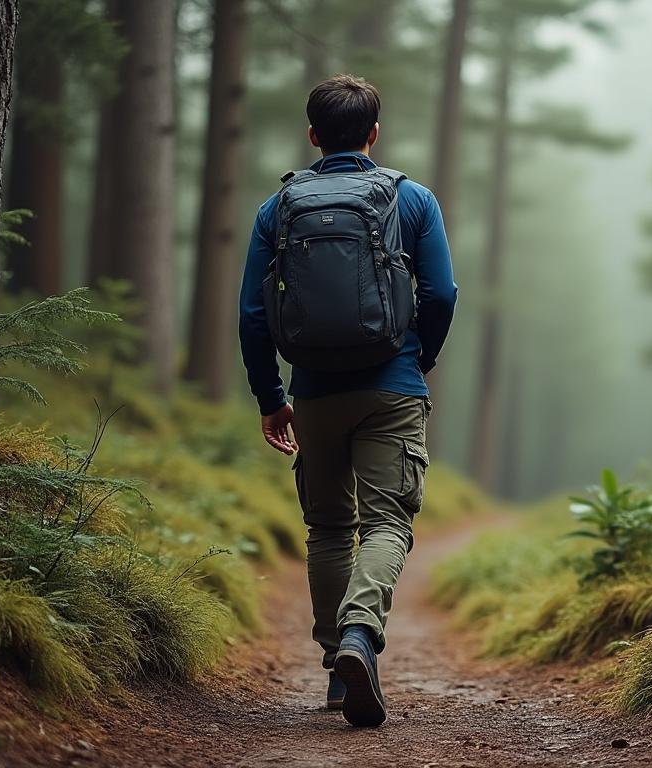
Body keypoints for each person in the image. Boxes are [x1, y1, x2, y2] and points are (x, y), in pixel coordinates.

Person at [238, 74, 457, 727]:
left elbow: (253, 315)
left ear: (312, 135)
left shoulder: (278, 208)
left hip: (314, 391)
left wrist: (270, 396)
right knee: (387, 522)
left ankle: (339, 666)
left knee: (328, 527)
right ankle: (362, 632)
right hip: (393, 384)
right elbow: (441, 293)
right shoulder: (410, 199)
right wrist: (422, 357)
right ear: (374, 133)